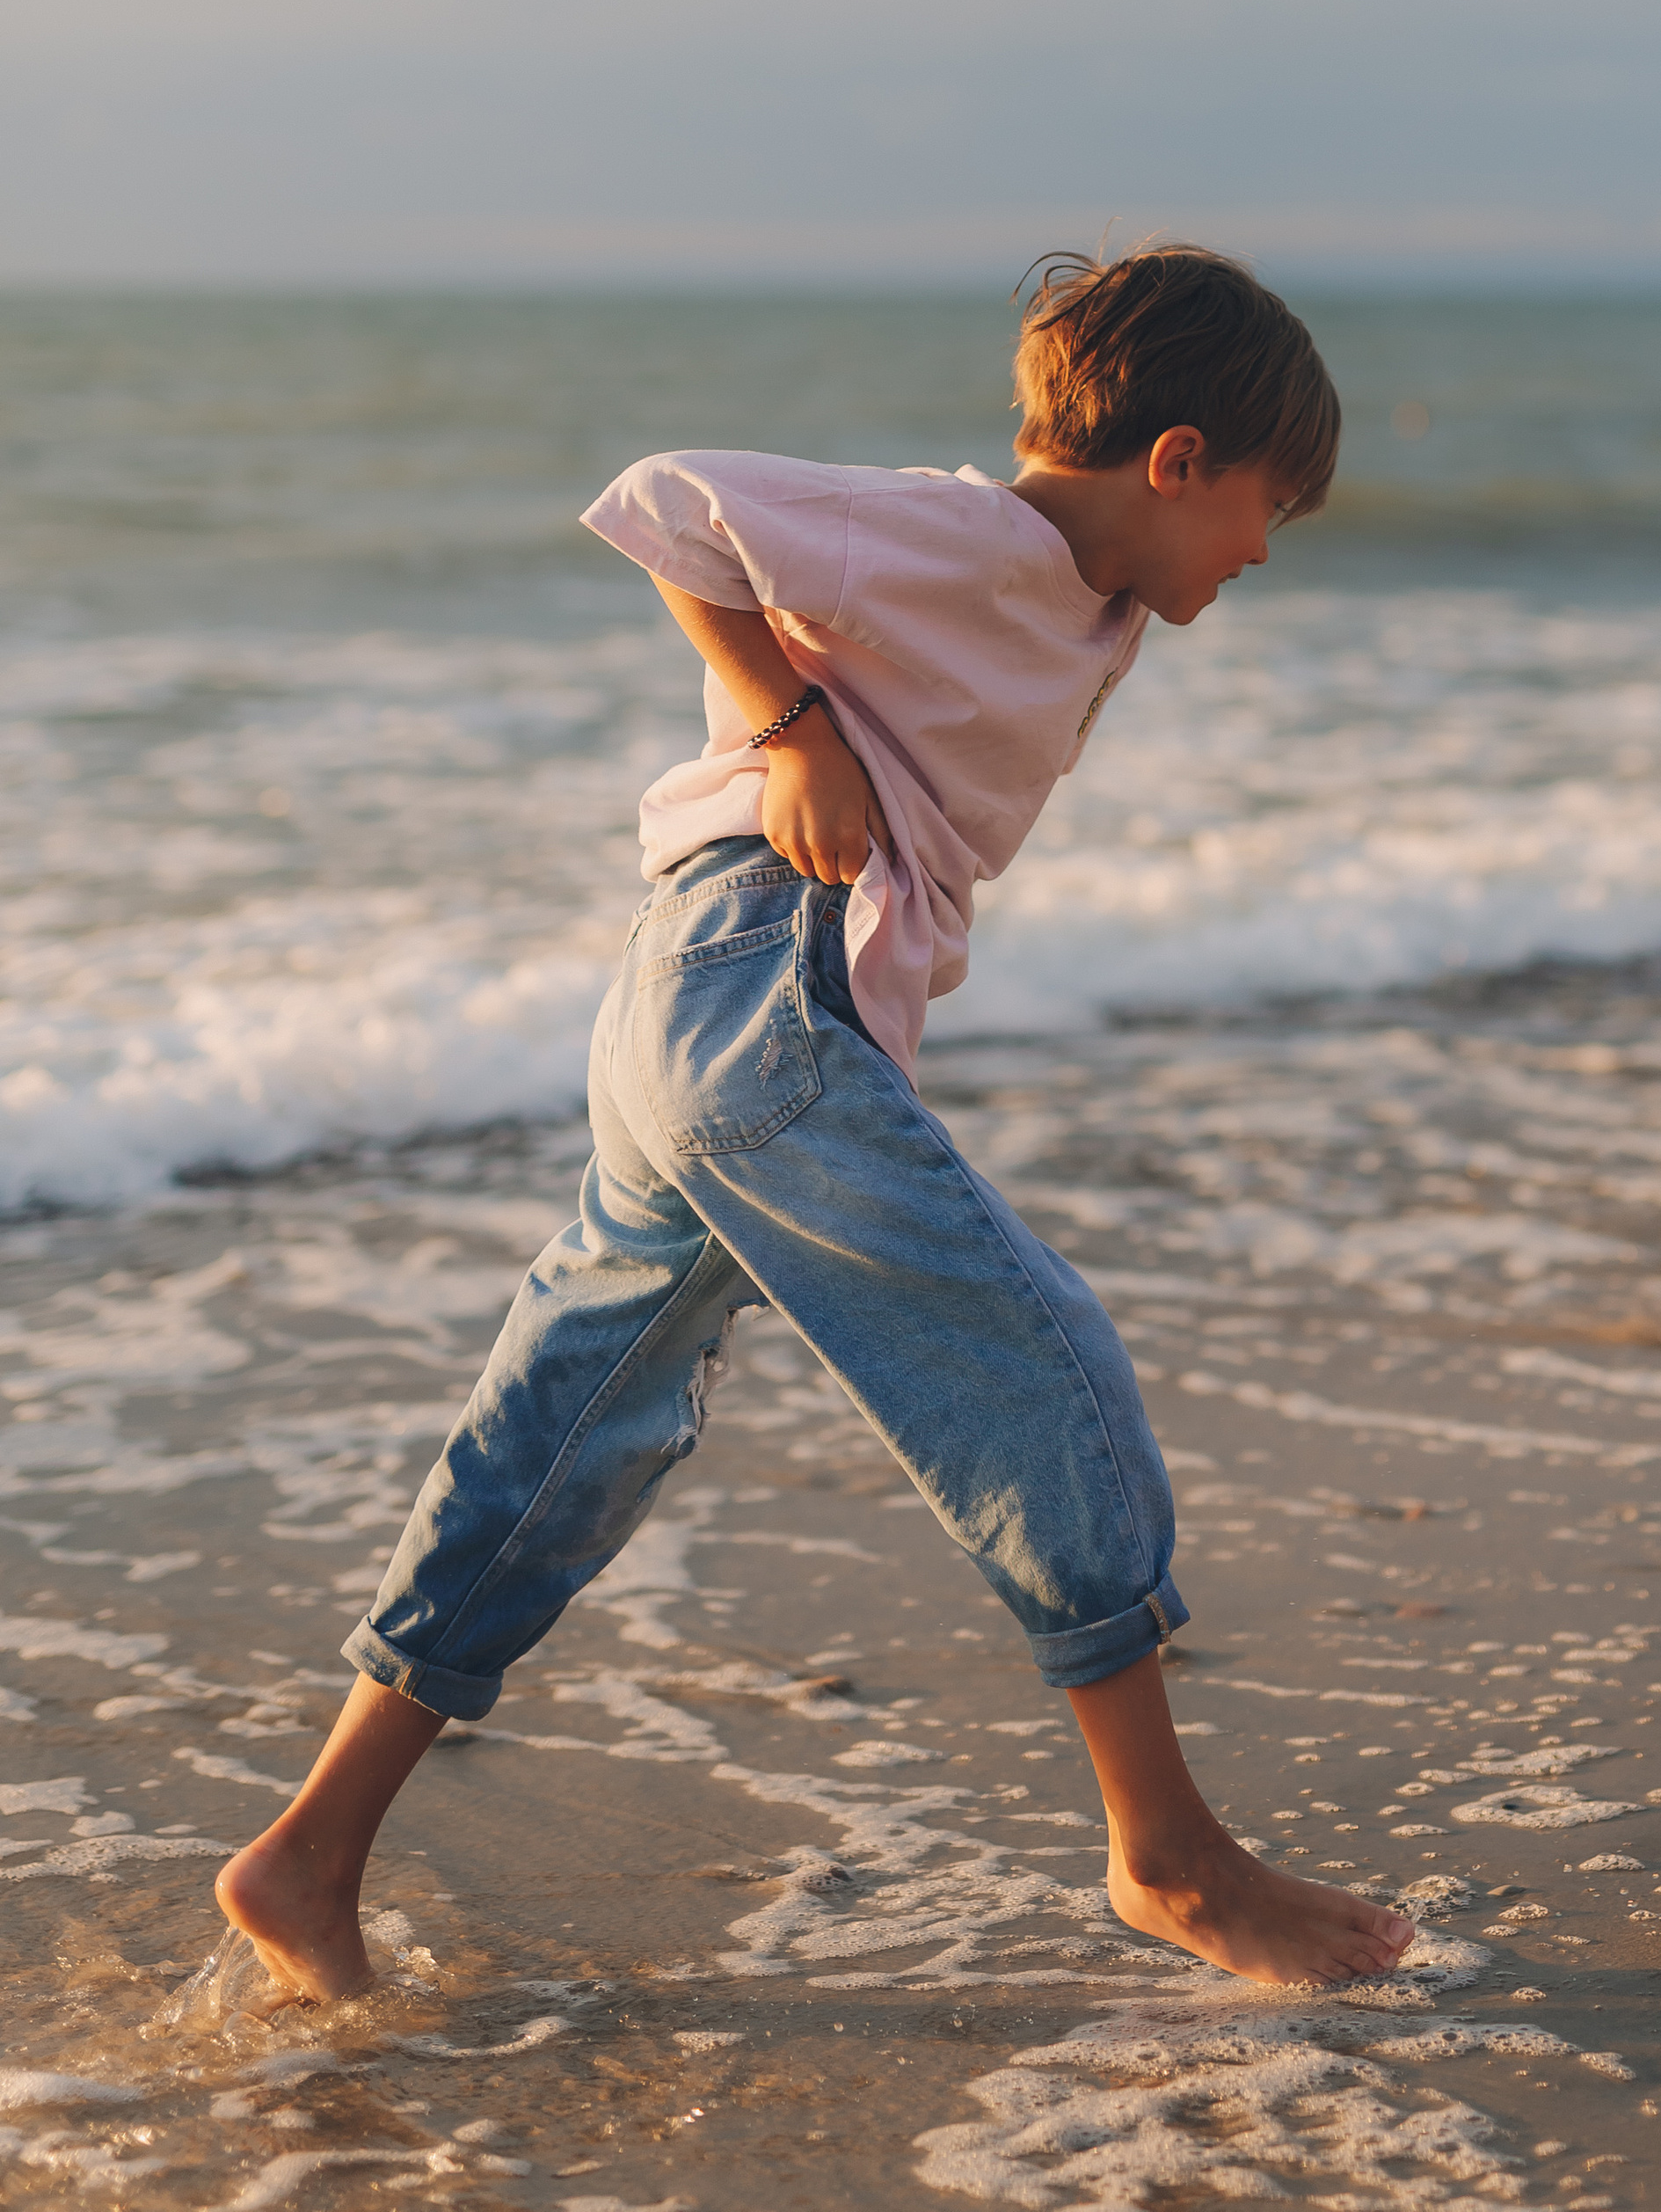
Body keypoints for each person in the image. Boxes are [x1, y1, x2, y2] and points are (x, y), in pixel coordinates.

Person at [215, 245, 1413, 2000]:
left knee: (570, 1436)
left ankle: (309, 1854)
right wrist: (786, 727)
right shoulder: (970, 534)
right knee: (1029, 1357)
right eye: (1260, 511)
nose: (1256, 554)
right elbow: (667, 505)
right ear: (1169, 462)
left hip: (716, 1019)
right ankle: (1164, 1855)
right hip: (748, 989)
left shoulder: (1095, 592)